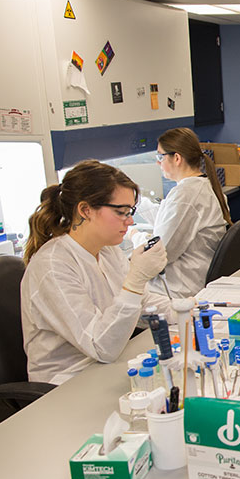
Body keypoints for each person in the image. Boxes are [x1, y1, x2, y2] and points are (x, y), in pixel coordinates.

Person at [22, 160, 170, 386]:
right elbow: (101, 346)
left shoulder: (107, 250)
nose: (129, 221)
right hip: (66, 384)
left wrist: (194, 309)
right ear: (85, 210)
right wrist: (135, 280)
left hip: (105, 367)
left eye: (130, 212)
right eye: (121, 212)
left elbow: (144, 304)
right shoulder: (52, 266)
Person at [146, 127, 231, 297]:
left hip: (181, 288)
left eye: (160, 156)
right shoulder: (203, 186)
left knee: (119, 294)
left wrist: (135, 236)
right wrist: (142, 204)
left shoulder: (185, 195)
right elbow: (172, 221)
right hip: (195, 278)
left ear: (176, 158)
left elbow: (162, 255)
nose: (158, 163)